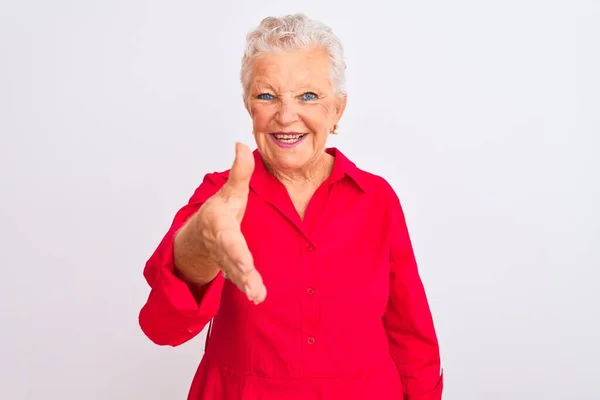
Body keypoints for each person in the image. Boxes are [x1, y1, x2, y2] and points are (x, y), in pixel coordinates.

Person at [139, 13, 443, 400]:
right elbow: (162, 327)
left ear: (337, 110)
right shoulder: (221, 195)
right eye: (267, 95)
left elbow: (411, 337)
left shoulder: (377, 199)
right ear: (249, 106)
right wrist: (200, 243)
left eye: (309, 96)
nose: (286, 116)